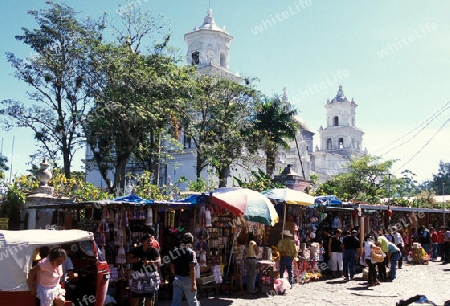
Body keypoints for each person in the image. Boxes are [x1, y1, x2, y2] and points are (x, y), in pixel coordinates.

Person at [128, 234, 161, 306]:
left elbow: (159, 262)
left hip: (150, 277)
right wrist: (134, 260)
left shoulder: (154, 250)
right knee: (135, 298)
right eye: (147, 241)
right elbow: (129, 260)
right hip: (137, 276)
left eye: (150, 241)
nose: (149, 243)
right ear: (143, 242)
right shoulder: (136, 250)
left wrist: (150, 262)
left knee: (149, 298)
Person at [170, 232, 200, 306]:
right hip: (187, 279)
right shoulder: (191, 253)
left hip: (177, 278)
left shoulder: (175, 251)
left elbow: (172, 267)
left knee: (175, 301)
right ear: (191, 241)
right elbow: (192, 269)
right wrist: (194, 283)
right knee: (192, 301)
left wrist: (176, 274)